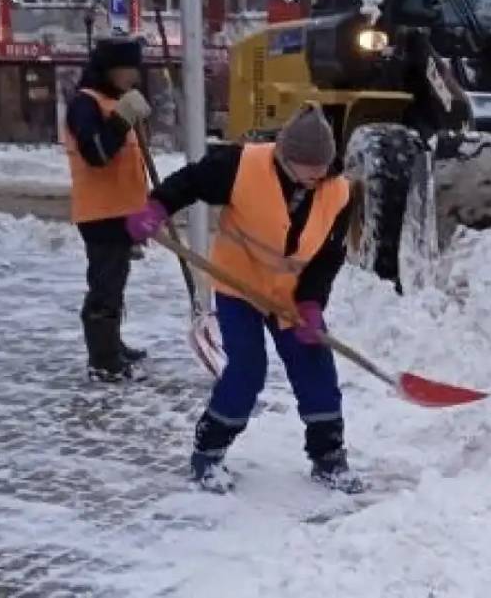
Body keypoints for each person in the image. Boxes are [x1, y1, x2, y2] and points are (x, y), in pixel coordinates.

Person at [125, 103, 360, 494]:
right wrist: (156, 207)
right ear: (287, 156)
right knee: (247, 370)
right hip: (239, 285)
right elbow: (191, 182)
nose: (318, 176)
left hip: (290, 295)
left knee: (316, 366)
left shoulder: (338, 191)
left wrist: (312, 304)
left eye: (324, 167)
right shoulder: (241, 165)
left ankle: (328, 457)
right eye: (309, 168)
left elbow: (328, 256)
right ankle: (208, 453)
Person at [64, 36, 153, 383]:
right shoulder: (85, 105)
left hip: (121, 212)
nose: (132, 76)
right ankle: (103, 360)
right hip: (100, 213)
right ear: (109, 70)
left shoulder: (111, 102)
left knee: (115, 284)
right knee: (104, 287)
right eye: (126, 69)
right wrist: (122, 119)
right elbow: (97, 154)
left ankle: (112, 345)